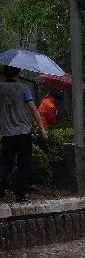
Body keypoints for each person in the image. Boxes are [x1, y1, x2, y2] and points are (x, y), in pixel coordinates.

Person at [1, 66, 48, 202]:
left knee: (6, 163)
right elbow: (33, 109)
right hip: (23, 132)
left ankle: (1, 184)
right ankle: (20, 195)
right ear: (19, 73)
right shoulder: (24, 88)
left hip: (7, 133)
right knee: (23, 164)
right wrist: (42, 128)